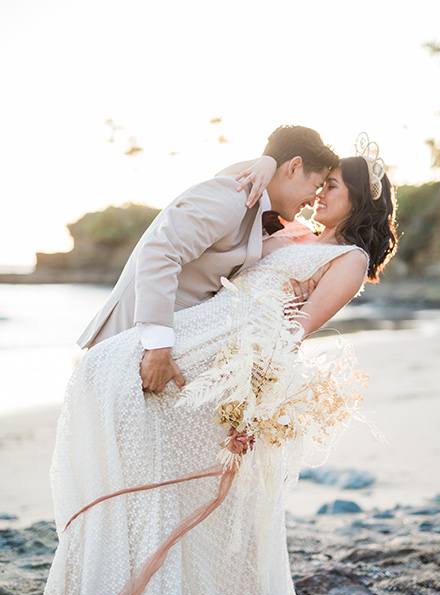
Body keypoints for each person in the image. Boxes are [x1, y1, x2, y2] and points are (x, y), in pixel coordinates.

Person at [24, 135, 398, 595]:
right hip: (202, 328)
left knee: (195, 499)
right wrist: (267, 161)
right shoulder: (292, 231)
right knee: (108, 388)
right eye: (319, 184)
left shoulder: (347, 261)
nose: (320, 195)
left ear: (359, 202)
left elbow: (291, 338)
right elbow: (244, 204)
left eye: (333, 188)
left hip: (229, 361)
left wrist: (253, 405)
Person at [77, 125, 337, 396]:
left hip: (163, 352)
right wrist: (158, 347)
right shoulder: (233, 196)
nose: (314, 199)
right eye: (316, 186)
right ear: (294, 167)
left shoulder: (256, 210)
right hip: (131, 343)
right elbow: (159, 251)